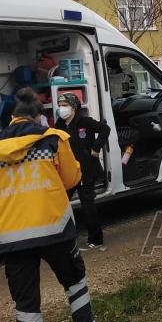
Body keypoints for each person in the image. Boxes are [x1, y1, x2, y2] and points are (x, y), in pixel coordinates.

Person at [0, 88, 110, 322]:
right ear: (38, 116)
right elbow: (70, 179)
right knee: (75, 285)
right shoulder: (52, 139)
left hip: (11, 240)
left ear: (11, 118)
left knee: (26, 308)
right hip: (54, 231)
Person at [54, 93, 111, 249]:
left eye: (65, 105)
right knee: (60, 204)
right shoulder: (58, 126)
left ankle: (95, 238)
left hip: (86, 170)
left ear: (74, 107)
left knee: (88, 205)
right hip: (69, 172)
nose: (61, 109)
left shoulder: (85, 122)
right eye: (60, 105)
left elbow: (105, 129)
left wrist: (96, 148)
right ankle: (61, 239)